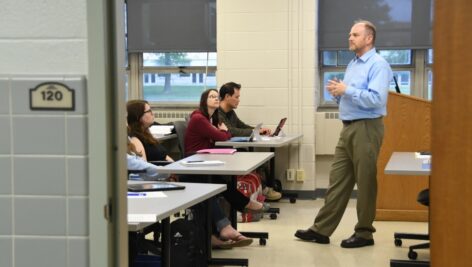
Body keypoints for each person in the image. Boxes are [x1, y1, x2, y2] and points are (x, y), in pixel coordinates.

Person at [295, 20, 393, 248]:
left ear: (368, 38)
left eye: (355, 34)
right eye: (350, 34)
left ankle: (365, 233)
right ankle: (321, 230)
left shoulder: (378, 64)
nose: (350, 37)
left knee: (366, 182)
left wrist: (347, 90)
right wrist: (338, 93)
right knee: (337, 181)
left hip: (367, 128)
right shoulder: (353, 64)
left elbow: (377, 99)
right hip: (348, 126)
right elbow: (353, 95)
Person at [218, 82, 282, 201]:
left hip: (233, 149)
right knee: (257, 160)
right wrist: (253, 132)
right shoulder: (218, 114)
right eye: (236, 97)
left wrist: (257, 130)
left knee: (261, 159)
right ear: (227, 97)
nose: (239, 100)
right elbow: (231, 131)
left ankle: (262, 190)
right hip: (224, 152)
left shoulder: (230, 112)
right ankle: (263, 191)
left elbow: (241, 126)